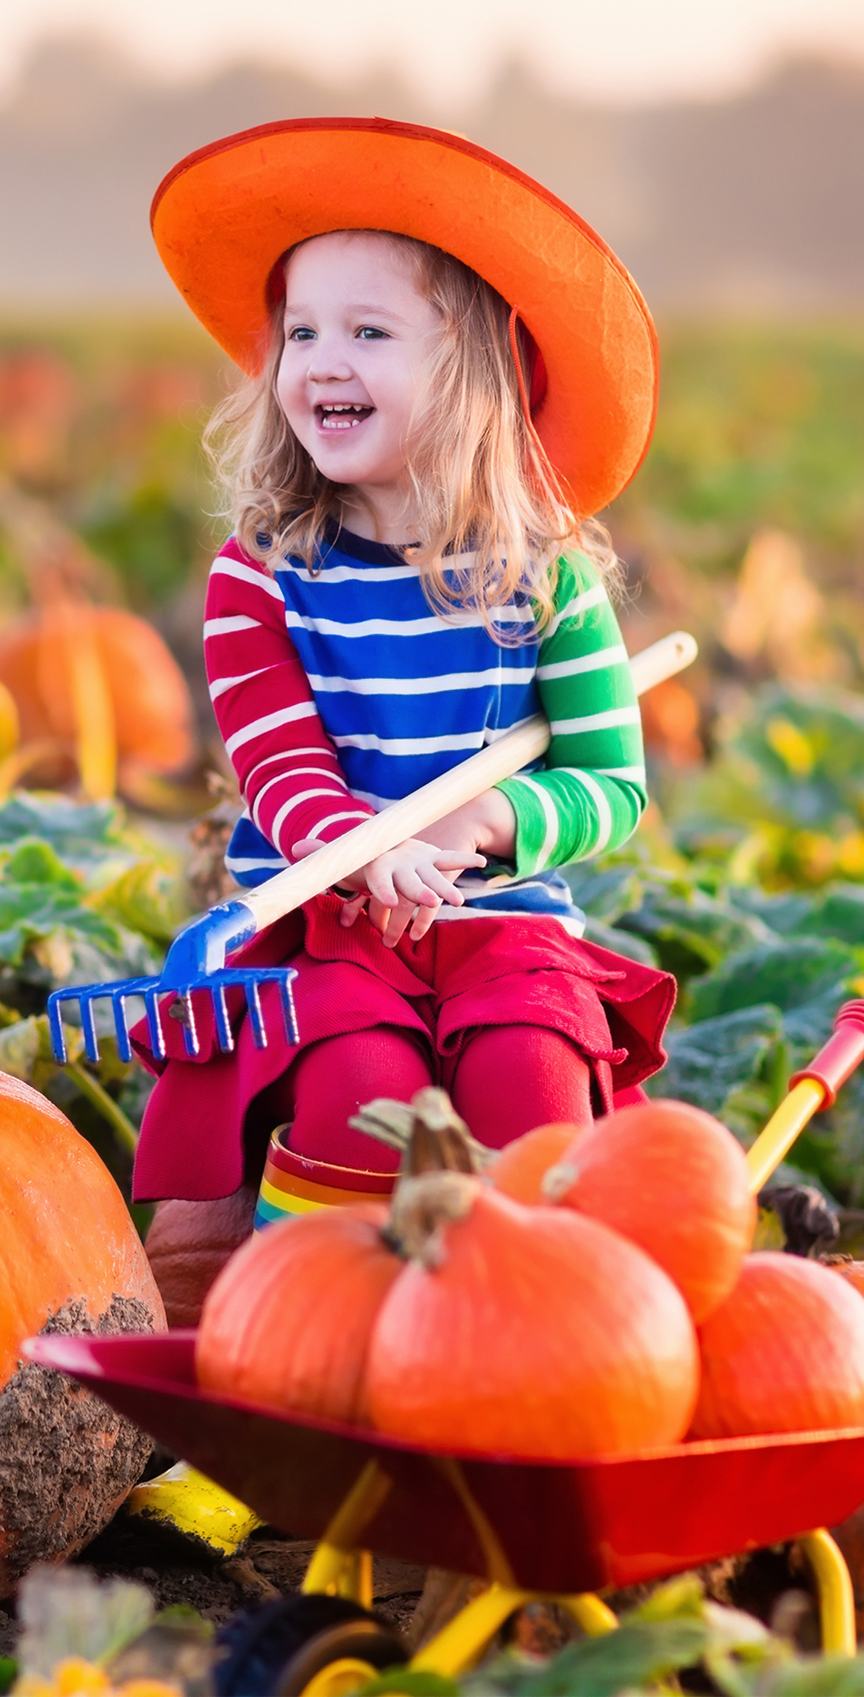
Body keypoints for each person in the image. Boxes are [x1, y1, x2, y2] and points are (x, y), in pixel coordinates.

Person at [130, 118, 676, 1238]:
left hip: (504, 919)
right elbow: (278, 768)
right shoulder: (264, 579)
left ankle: (535, 1313)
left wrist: (496, 818)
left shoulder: (546, 577)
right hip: (331, 913)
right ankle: (321, 1320)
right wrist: (368, 851)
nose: (323, 359)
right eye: (301, 332)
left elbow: (610, 782)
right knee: (353, 1097)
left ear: (471, 368)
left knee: (531, 1089)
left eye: (368, 331)